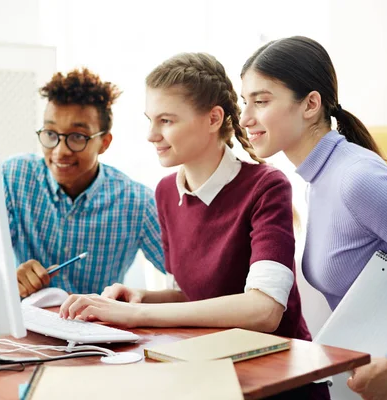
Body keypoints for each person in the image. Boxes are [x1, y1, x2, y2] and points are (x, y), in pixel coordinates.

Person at [60, 53, 330, 399]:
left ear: (213, 118)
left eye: (167, 121)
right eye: (150, 120)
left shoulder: (266, 186)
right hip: (211, 374)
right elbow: (192, 295)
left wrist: (135, 313)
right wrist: (143, 298)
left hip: (278, 382)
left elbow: (264, 310)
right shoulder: (165, 192)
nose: (152, 135)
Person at [239, 36, 387, 400]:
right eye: (245, 102)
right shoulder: (318, 179)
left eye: (261, 101)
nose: (245, 118)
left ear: (310, 104)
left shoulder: (356, 179)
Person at [2, 68, 165, 298]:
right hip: (26, 325)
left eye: (77, 137)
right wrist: (8, 278)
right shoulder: (14, 177)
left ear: (104, 142)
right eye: (50, 134)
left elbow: (187, 280)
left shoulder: (136, 202)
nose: (60, 151)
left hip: (97, 329)